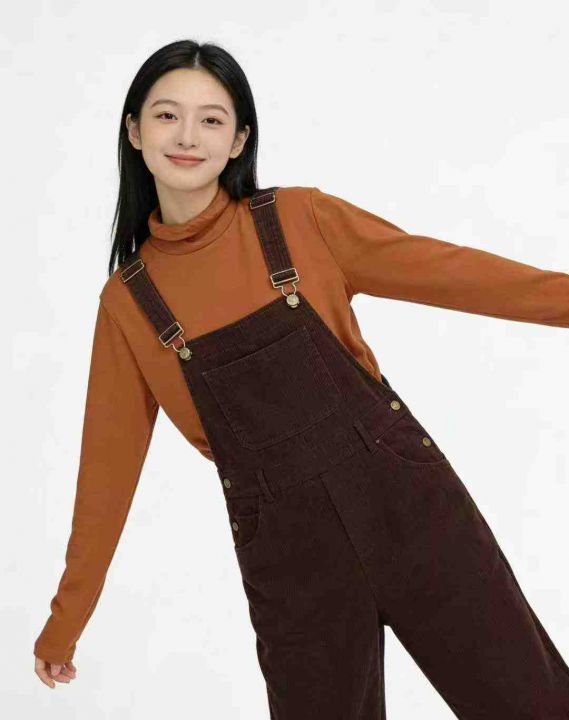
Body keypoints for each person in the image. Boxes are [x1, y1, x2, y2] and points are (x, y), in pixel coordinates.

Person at [33, 39, 569, 718]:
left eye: (211, 119)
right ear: (134, 131)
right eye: (167, 115)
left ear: (239, 140)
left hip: (413, 518)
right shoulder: (129, 304)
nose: (188, 136)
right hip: (294, 569)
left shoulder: (299, 220)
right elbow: (106, 472)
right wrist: (67, 618)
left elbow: (454, 272)